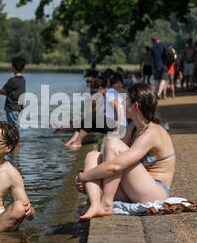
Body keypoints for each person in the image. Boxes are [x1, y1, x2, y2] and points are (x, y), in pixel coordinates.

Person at [74, 84, 175, 222]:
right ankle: (96, 204)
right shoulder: (133, 127)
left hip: (154, 192)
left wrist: (84, 177)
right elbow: (109, 158)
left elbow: (116, 165)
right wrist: (90, 176)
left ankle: (106, 204)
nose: (122, 102)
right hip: (134, 188)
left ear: (136, 106)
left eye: (126, 100)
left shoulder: (152, 133)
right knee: (92, 156)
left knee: (113, 144)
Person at [62, 76, 124, 149]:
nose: (95, 93)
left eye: (95, 91)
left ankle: (77, 142)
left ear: (100, 88)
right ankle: (72, 141)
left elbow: (118, 107)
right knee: (85, 120)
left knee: (90, 117)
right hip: (109, 123)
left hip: (116, 125)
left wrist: (117, 126)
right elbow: (94, 112)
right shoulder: (105, 95)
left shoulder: (109, 93)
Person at [0, 57, 26, 130]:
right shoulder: (23, 80)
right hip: (19, 108)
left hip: (12, 108)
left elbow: (1, 91)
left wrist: (7, 93)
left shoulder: (12, 80)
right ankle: (16, 141)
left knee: (14, 130)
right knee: (15, 129)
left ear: (14, 67)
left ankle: (17, 141)